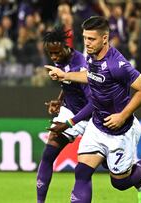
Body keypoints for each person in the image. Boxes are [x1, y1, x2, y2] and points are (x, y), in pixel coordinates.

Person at [46, 16, 141, 203]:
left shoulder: (117, 64)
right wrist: (65, 75)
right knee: (82, 172)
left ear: (104, 39)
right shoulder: (92, 55)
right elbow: (91, 75)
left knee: (120, 183)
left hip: (120, 131)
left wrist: (122, 115)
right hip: (97, 126)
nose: (87, 43)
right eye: (85, 38)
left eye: (91, 39)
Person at [36, 26, 93, 203]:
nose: (53, 57)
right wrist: (60, 100)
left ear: (67, 46)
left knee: (117, 171)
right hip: (70, 110)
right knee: (47, 155)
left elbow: (93, 103)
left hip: (91, 117)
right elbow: (68, 83)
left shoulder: (81, 66)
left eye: (56, 53)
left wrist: (69, 123)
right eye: (50, 54)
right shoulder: (61, 59)